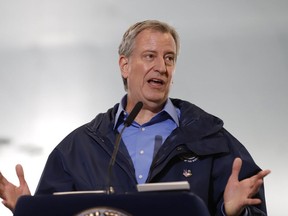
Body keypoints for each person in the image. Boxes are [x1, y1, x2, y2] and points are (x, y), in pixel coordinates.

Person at [0, 20, 270, 216]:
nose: (162, 68)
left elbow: (254, 209)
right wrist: (27, 211)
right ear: (125, 65)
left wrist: (230, 212)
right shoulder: (77, 149)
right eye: (150, 56)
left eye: (169, 58)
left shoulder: (211, 140)